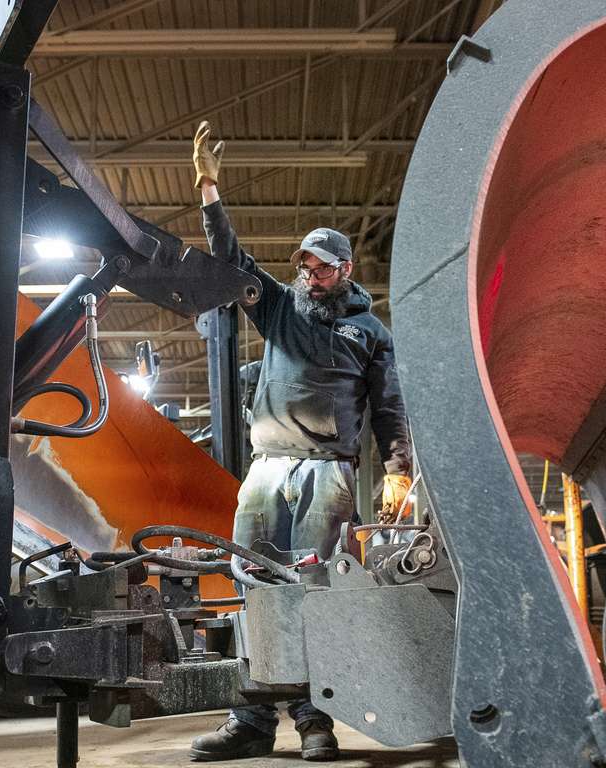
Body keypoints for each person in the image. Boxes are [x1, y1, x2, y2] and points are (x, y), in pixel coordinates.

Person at [188, 121, 413, 762]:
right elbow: (232, 261)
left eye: (319, 263)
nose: (308, 271)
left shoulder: (371, 331)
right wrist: (209, 190)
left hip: (330, 472)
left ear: (344, 267)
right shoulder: (280, 308)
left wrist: (397, 470)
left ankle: (317, 722)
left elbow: (390, 409)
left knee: (311, 589)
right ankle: (251, 724)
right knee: (253, 583)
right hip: (268, 469)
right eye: (303, 264)